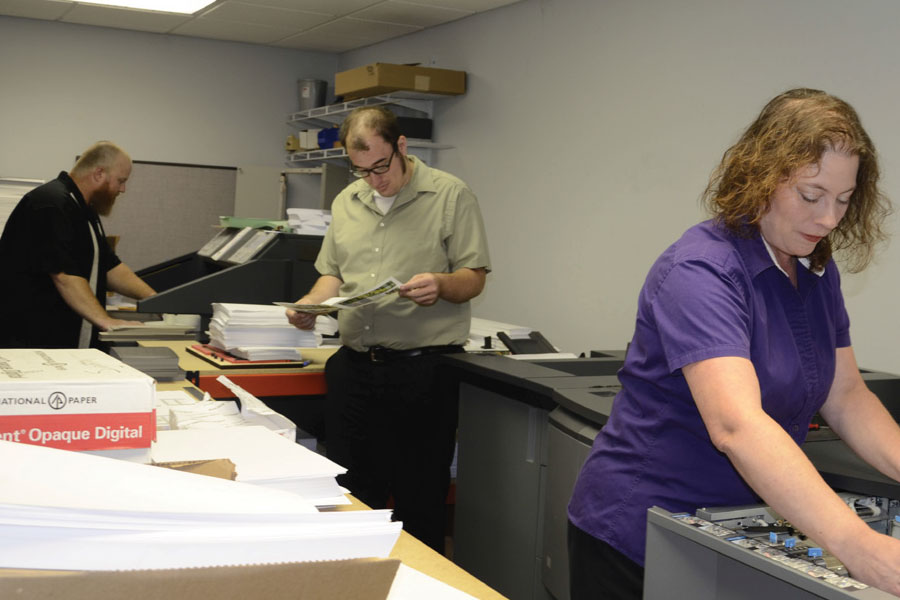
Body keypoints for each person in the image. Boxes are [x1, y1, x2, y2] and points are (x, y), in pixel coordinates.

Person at [567, 88, 900, 598]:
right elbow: (737, 426)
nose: (829, 219)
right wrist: (859, 547)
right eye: (811, 196)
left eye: (843, 199)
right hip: (643, 533)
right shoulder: (702, 270)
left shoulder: (814, 267)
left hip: (736, 528)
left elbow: (847, 395)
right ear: (761, 176)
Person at [286, 106, 491, 552]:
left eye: (381, 167)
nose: (375, 181)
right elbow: (333, 275)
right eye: (362, 171)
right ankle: (356, 578)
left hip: (423, 372)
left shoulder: (450, 195)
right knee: (352, 491)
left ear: (401, 146)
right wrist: (311, 305)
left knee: (421, 494)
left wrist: (441, 284)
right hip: (356, 369)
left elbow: (473, 277)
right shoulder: (347, 201)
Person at [0, 141, 156, 349]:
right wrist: (107, 321)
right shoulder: (51, 204)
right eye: (121, 181)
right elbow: (64, 275)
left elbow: (109, 266)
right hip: (31, 342)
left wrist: (155, 299)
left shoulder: (83, 209)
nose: (123, 189)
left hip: (64, 340)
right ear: (99, 173)